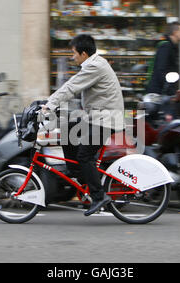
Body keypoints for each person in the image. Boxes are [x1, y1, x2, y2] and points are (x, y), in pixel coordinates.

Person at [41, 34, 125, 216]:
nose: (72, 57)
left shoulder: (95, 66)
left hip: (106, 120)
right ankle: (79, 172)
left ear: (84, 53)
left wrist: (50, 104)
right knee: (66, 127)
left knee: (84, 155)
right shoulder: (94, 64)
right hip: (96, 116)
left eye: (74, 53)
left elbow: (72, 86)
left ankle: (98, 196)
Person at [146, 22, 180, 97]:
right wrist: (171, 91)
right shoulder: (166, 47)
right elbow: (161, 70)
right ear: (175, 32)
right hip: (159, 93)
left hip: (163, 91)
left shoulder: (172, 46)